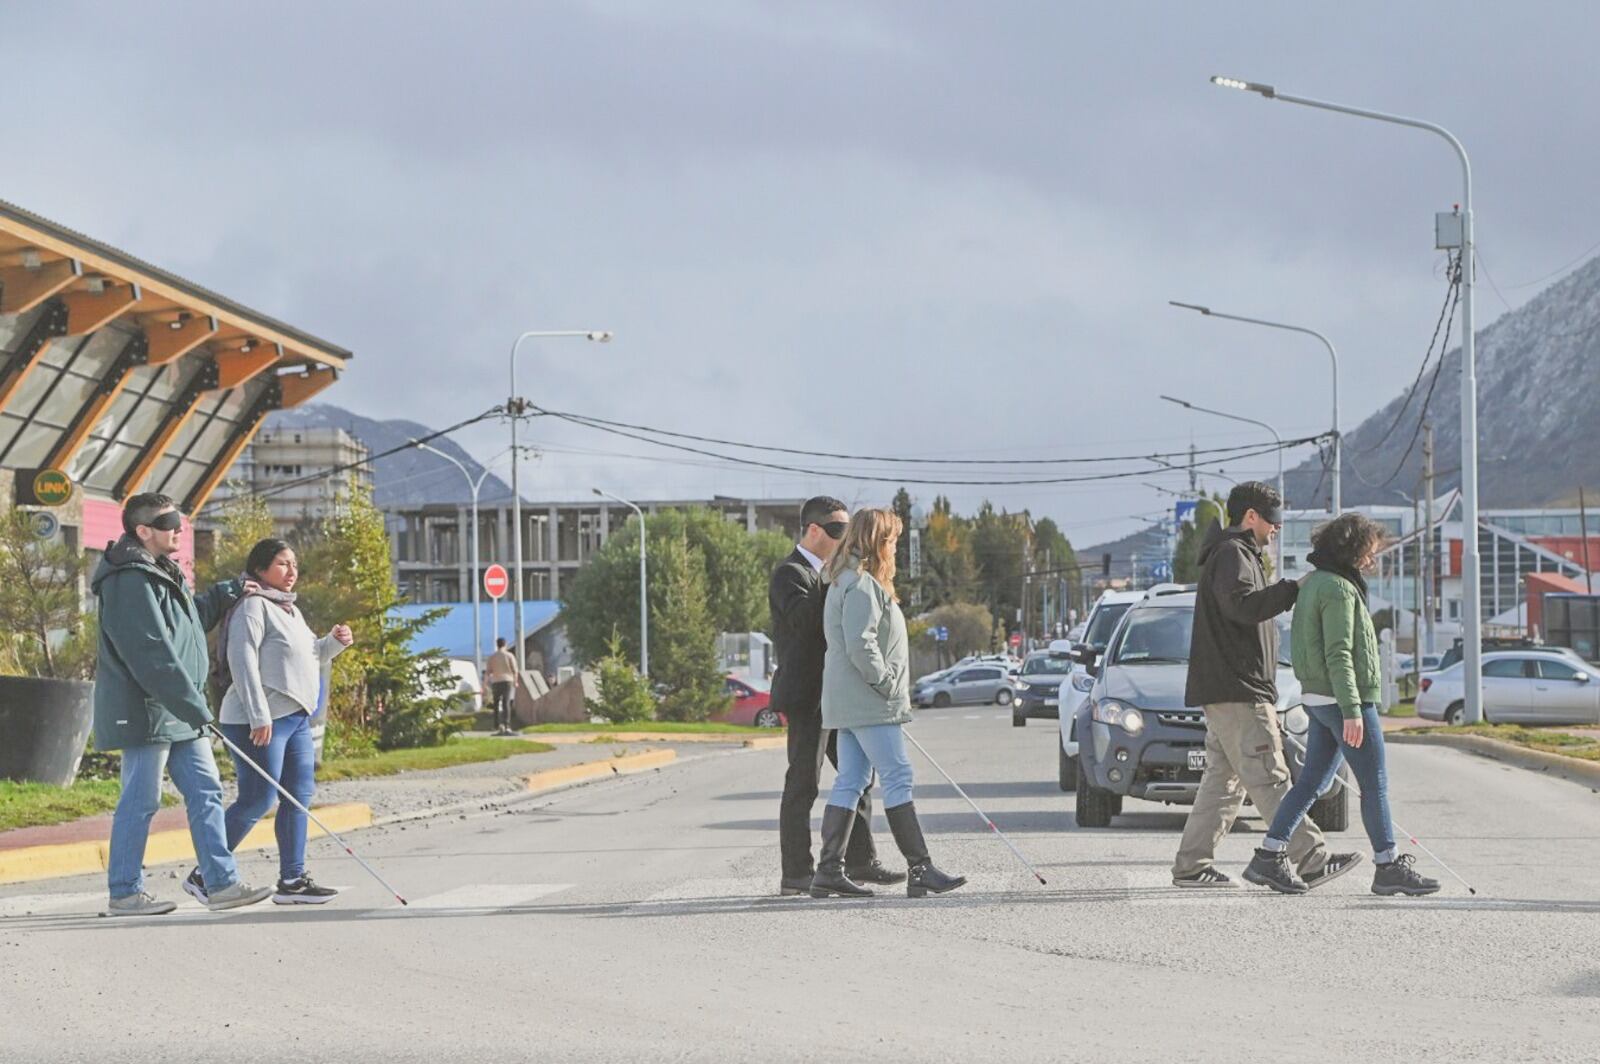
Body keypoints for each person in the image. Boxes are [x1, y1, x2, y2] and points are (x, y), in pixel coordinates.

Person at [1171, 481, 1361, 891]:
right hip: (1239, 690)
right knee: (1270, 776)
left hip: (1229, 688)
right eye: (1272, 520)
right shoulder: (1233, 554)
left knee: (1223, 784)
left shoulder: (1235, 554)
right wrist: (1293, 590)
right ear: (1250, 517)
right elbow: (1242, 606)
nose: (1276, 529)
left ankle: (1191, 865)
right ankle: (1311, 858)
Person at [94, 494, 273, 915]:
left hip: (179, 709)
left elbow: (187, 623)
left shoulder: (161, 571)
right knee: (141, 800)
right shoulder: (129, 580)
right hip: (148, 710)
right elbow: (150, 654)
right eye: (169, 522)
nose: (179, 528)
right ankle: (124, 892)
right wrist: (195, 706)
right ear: (143, 531)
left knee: (207, 791)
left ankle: (222, 883)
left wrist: (226, 593)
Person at [1252, 513, 1441, 896]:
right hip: (1343, 700)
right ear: (1351, 550)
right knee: (1375, 785)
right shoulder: (1338, 589)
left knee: (1312, 783)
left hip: (1319, 698)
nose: (1371, 560)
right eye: (1369, 552)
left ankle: (1269, 855)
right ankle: (1387, 865)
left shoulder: (1316, 584)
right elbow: (1339, 652)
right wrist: (1353, 709)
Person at [186, 538, 353, 907]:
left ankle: (292, 880)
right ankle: (205, 873)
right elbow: (241, 662)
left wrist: (335, 642)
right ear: (260, 569)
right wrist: (258, 715)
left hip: (294, 718)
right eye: (282, 564)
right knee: (258, 798)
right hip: (256, 720)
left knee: (299, 796)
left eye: (294, 564)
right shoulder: (253, 606)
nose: (291, 571)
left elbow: (311, 654)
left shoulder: (289, 609)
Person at [812, 507, 965, 899]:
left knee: (851, 780)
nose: (895, 546)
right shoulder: (860, 585)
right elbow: (860, 642)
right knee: (897, 775)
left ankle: (828, 870)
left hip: (850, 702)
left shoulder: (844, 579)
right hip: (869, 700)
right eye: (893, 539)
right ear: (878, 542)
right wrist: (884, 682)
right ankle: (921, 868)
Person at [772, 496, 900, 896]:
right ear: (814, 531)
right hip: (808, 698)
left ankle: (862, 862)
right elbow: (805, 625)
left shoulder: (835, 575)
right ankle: (797, 872)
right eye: (836, 532)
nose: (844, 539)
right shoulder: (790, 573)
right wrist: (831, 581)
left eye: (847, 531)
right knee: (804, 784)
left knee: (857, 777)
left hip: (837, 696)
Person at [485, 637, 518, 735]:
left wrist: (484, 685)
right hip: (507, 681)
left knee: (496, 703)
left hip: (496, 681)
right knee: (506, 703)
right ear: (505, 644)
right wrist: (515, 682)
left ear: (497, 645)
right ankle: (507, 725)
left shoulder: (492, 657)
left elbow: (487, 672)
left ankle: (496, 725)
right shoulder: (509, 655)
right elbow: (515, 671)